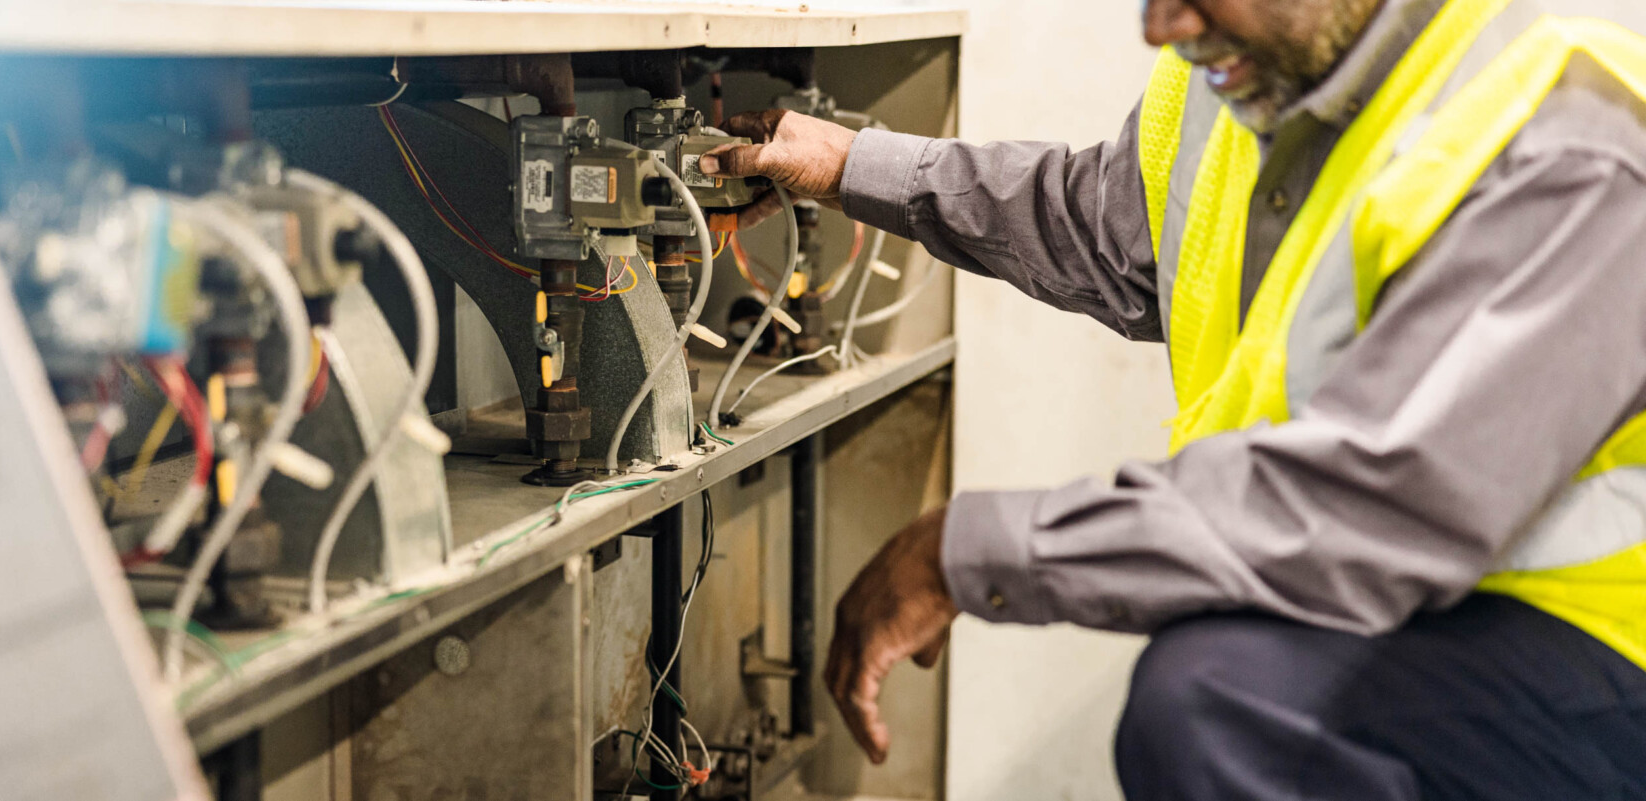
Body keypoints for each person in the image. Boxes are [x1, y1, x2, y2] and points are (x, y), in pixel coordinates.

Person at [700, 0, 1646, 797]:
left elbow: (1378, 505)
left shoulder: (1559, 128)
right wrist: (852, 162)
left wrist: (966, 552)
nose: (1162, 25)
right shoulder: (1230, 75)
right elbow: (1106, 228)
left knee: (1216, 698)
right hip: (1400, 605)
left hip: (1589, 659)